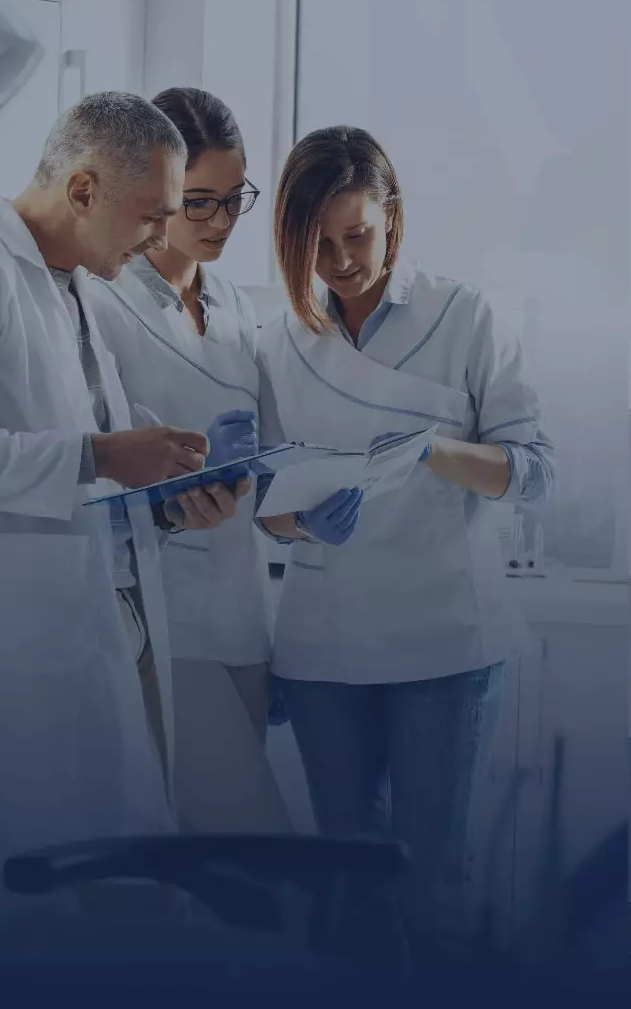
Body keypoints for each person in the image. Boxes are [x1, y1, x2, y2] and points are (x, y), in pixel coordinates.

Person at [0, 91, 251, 880]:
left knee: (124, 880)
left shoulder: (70, 281)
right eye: (151, 216)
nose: (160, 238)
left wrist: (171, 499)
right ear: (83, 189)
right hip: (18, 640)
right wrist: (102, 456)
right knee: (38, 892)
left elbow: (87, 466)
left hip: (110, 621)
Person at [257, 126, 556, 969]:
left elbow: (533, 471)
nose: (341, 260)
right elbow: (265, 505)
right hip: (323, 647)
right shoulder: (278, 342)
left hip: (444, 643)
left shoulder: (465, 316)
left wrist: (431, 450)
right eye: (316, 243)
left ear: (391, 217)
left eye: (356, 235)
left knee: (433, 894)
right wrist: (301, 522)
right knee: (346, 890)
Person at [84, 87, 308, 836]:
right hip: (161, 615)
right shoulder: (101, 299)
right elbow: (89, 464)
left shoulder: (239, 304)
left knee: (215, 867)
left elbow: (272, 453)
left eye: (234, 199)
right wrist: (166, 501)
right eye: (199, 202)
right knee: (251, 854)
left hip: (243, 611)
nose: (220, 222)